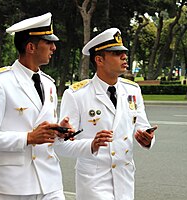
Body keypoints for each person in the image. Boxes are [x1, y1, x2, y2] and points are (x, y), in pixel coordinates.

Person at [0, 12, 94, 200]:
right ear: (30, 47)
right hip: (15, 186)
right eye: (48, 42)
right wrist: (28, 138)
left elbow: (44, 132)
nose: (54, 47)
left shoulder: (49, 83)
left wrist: (59, 132)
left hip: (50, 181)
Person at [59, 27, 157, 200]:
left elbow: (142, 126)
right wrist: (92, 144)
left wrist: (147, 139)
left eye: (124, 52)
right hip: (94, 183)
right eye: (116, 53)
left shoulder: (132, 90)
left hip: (125, 179)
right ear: (99, 59)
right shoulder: (76, 95)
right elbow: (62, 145)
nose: (124, 56)